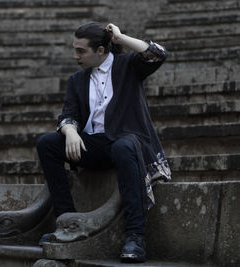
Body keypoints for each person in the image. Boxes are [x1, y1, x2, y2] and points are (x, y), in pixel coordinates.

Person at [36, 22, 171, 263]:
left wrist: (119, 37)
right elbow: (67, 116)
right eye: (74, 49)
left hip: (126, 143)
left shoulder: (128, 66)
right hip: (93, 145)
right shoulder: (77, 79)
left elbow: (158, 54)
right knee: (47, 143)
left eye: (80, 51)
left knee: (124, 145)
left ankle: (135, 237)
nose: (75, 56)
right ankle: (67, 220)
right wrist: (71, 132)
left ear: (100, 50)